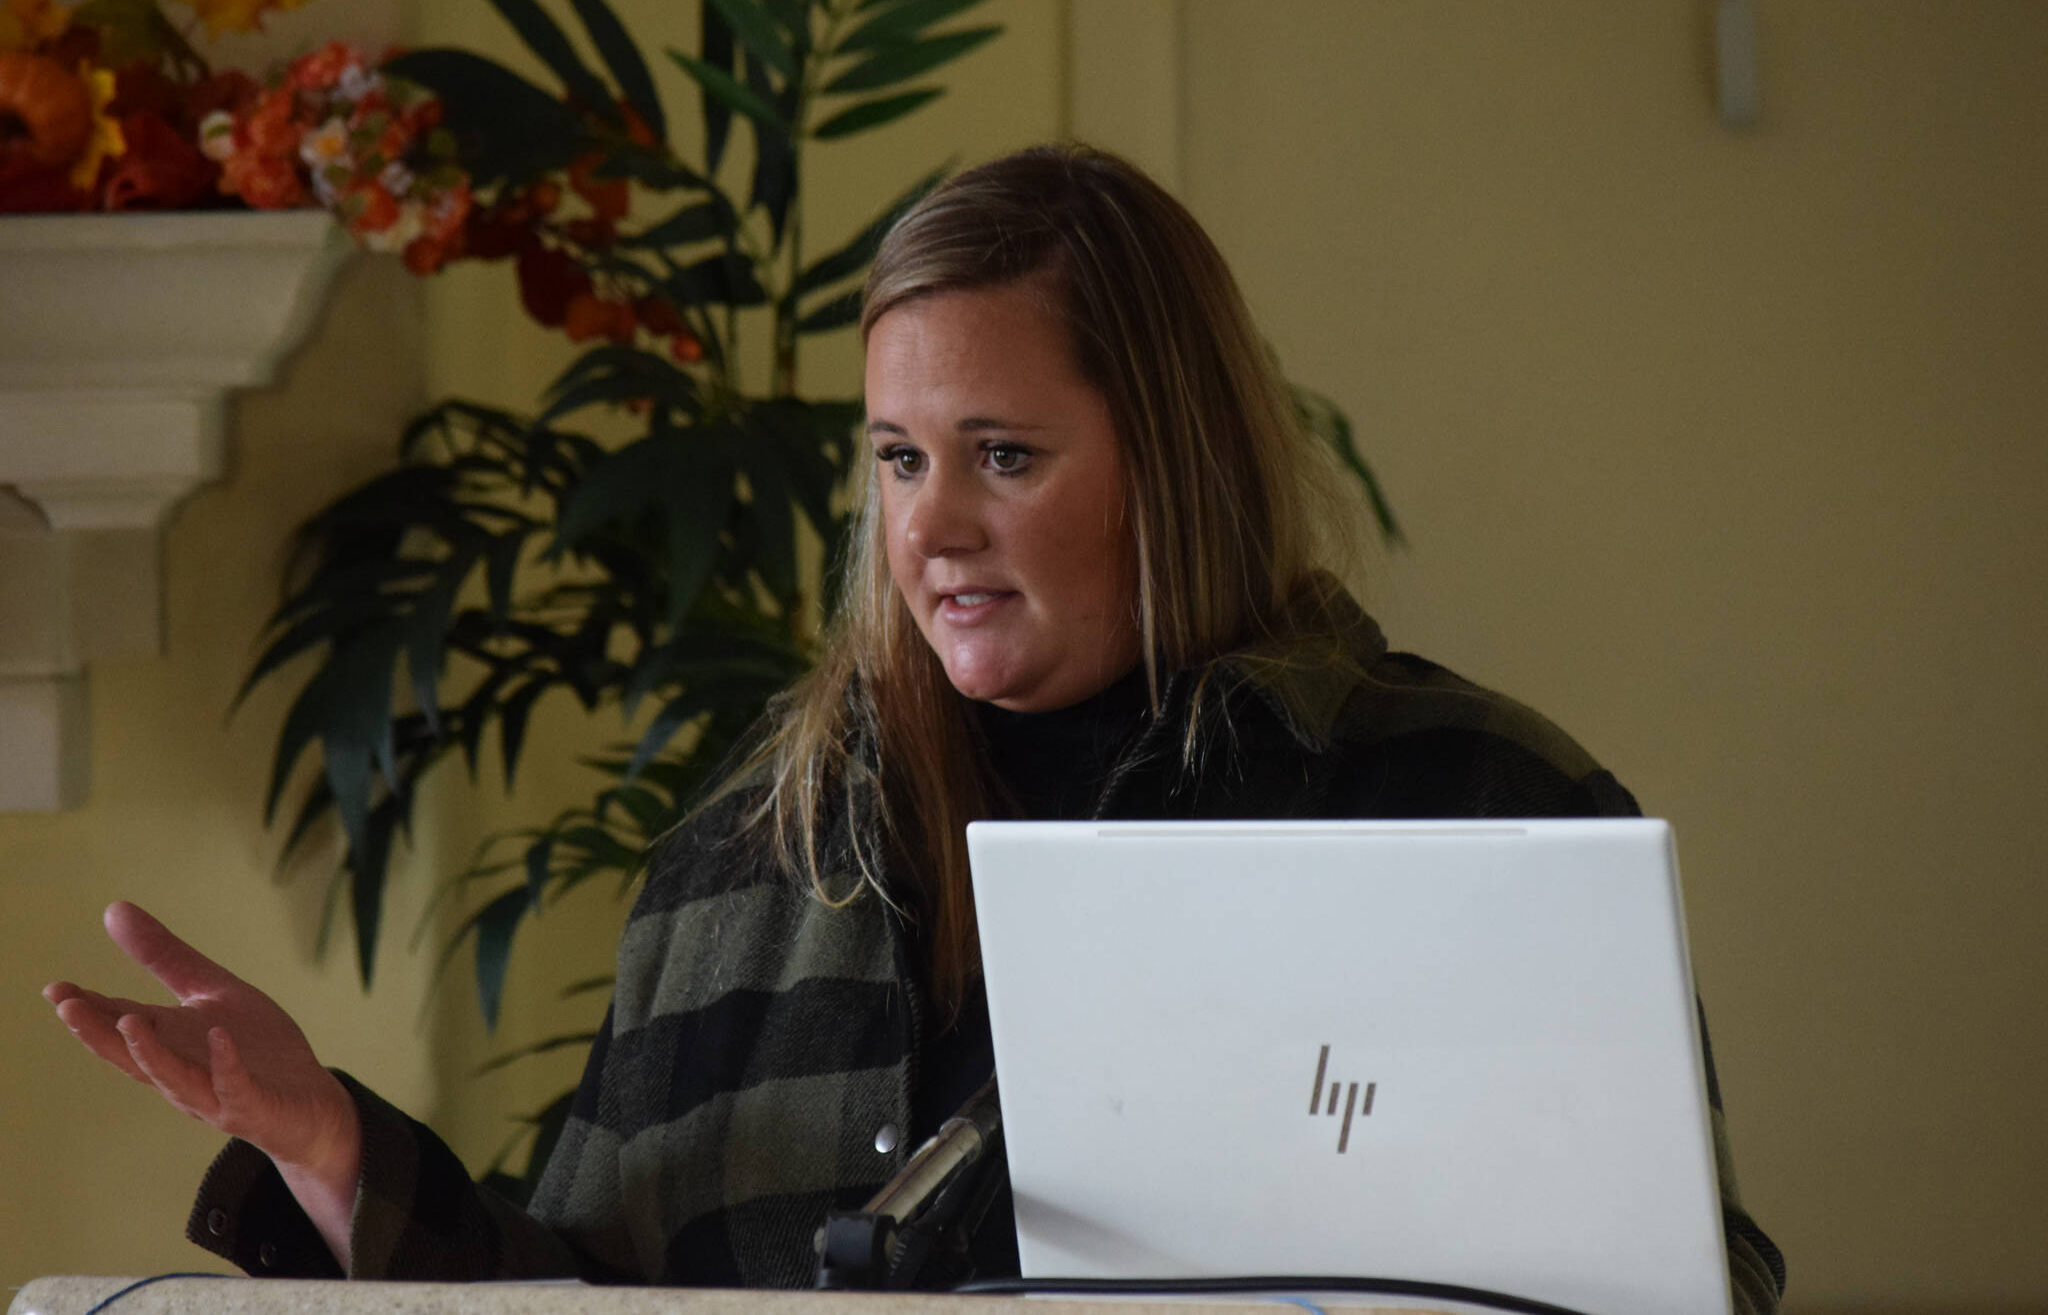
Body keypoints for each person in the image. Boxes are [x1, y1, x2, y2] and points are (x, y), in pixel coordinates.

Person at [45, 144, 1786, 1312]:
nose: (929, 526)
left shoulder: (1477, 813)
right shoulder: (750, 857)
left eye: (1002, 456)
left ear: (1169, 463)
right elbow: (581, 1287)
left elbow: (1690, 1278)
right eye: (897, 457)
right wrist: (336, 1155)